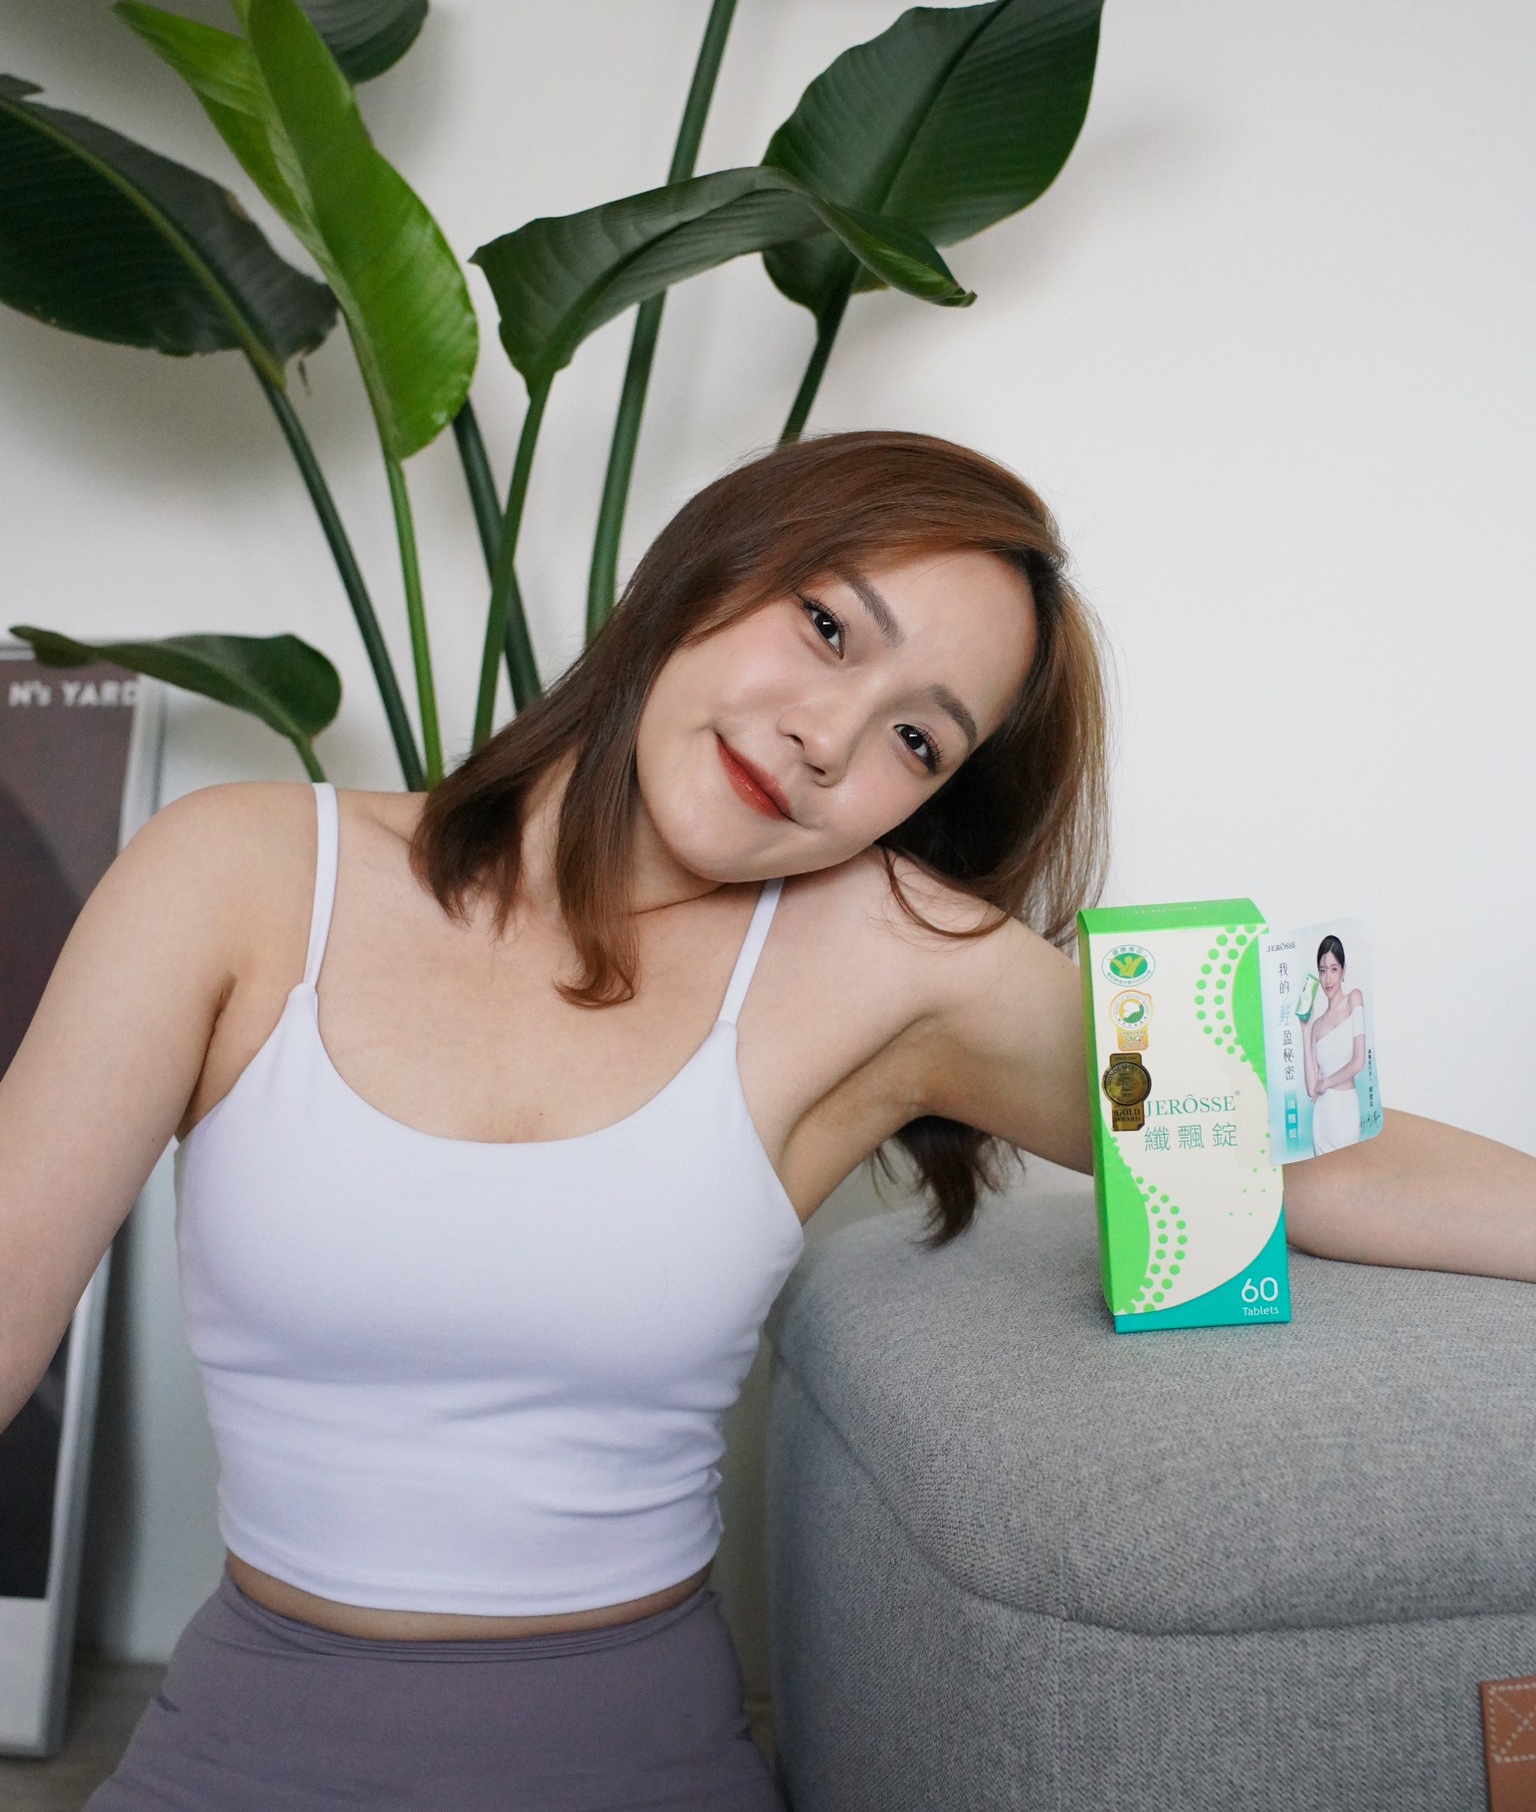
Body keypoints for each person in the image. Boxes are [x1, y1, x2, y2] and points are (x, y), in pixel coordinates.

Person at [1, 432, 1531, 1811]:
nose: (827, 738)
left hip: (638, 1762)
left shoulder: (885, 959)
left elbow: (1296, 1144)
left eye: (917, 740)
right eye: (827, 628)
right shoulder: (249, 874)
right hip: (242, 1747)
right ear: (706, 571)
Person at [1303, 932, 1367, 1154]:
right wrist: (1305, 1029)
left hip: (1345, 1110)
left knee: (1348, 1168)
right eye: (1322, 970)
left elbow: (1358, 1061)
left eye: (1333, 969)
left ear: (1343, 971)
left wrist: (1327, 1082)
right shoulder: (1317, 1025)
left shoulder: (1354, 1000)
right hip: (1322, 1117)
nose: (1328, 979)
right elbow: (1311, 1087)